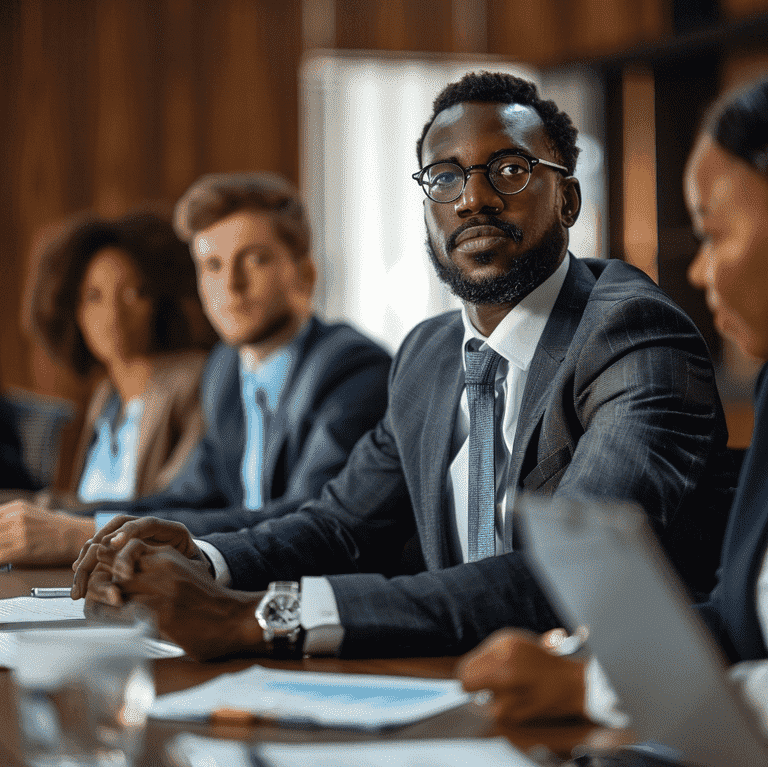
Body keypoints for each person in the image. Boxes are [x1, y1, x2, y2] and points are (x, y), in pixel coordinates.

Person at [73, 71, 733, 662]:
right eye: (445, 177)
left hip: (604, 712)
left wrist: (262, 617)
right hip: (447, 688)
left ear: (568, 201)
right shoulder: (429, 354)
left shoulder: (631, 335)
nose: (473, 198)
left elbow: (575, 577)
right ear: (425, 211)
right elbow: (342, 524)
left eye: (508, 170)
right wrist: (202, 559)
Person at [458, 74, 768, 730]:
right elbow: (742, 623)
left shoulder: (632, 333)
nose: (697, 271)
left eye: (714, 235)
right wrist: (597, 667)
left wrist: (589, 690)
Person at [0, 173, 392, 565]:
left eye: (254, 259)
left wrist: (91, 535)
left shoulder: (351, 370)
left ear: (305, 275)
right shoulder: (225, 369)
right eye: (213, 265)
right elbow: (186, 498)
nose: (231, 284)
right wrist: (57, 519)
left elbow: (309, 522)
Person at [0, 211, 214, 566]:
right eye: (93, 296)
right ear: (72, 310)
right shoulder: (105, 396)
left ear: (163, 300)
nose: (113, 312)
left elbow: (181, 505)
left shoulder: (193, 380)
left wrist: (49, 512)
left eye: (133, 293)